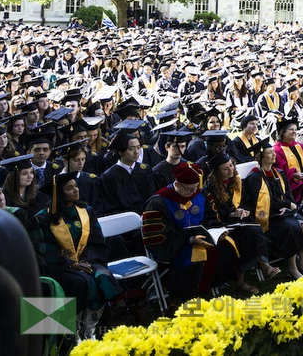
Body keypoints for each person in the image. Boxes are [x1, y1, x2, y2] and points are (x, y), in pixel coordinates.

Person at [31, 173, 121, 339]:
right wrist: (72, 264)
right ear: (58, 194)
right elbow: (47, 250)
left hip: (88, 261)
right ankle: (71, 330)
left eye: (76, 186)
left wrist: (86, 261)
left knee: (104, 276)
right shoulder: (44, 218)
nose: (75, 190)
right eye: (69, 188)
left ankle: (89, 328)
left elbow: (97, 241)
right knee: (81, 282)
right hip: (60, 266)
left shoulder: (85, 211)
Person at [142, 161, 240, 298]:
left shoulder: (198, 194)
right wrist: (190, 239)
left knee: (227, 245)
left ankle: (214, 284)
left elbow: (210, 217)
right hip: (174, 245)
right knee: (196, 254)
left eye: (196, 188)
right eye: (189, 189)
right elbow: (159, 237)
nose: (194, 193)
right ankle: (187, 296)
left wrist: (216, 231)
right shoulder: (159, 202)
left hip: (201, 237)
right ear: (177, 184)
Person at [202, 151, 280, 292]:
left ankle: (252, 272)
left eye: (231, 165)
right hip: (222, 225)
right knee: (250, 234)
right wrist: (232, 213)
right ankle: (260, 268)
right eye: (225, 169)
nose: (230, 170)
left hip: (240, 222)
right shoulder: (209, 190)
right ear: (217, 172)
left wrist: (244, 210)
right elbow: (213, 214)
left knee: (253, 231)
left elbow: (246, 202)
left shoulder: (237, 182)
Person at [241, 138, 303, 280]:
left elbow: (288, 195)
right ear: (261, 157)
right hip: (268, 216)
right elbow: (264, 202)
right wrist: (286, 205)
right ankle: (292, 268)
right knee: (291, 228)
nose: (274, 155)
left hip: (284, 212)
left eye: (274, 152)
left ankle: (302, 263)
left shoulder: (279, 173)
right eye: (269, 153)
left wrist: (289, 206)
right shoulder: (254, 177)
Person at [97, 132, 159, 215]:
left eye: (138, 147)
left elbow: (152, 195)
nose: (136, 152)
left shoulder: (145, 170)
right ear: (120, 151)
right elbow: (110, 205)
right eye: (131, 149)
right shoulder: (109, 176)